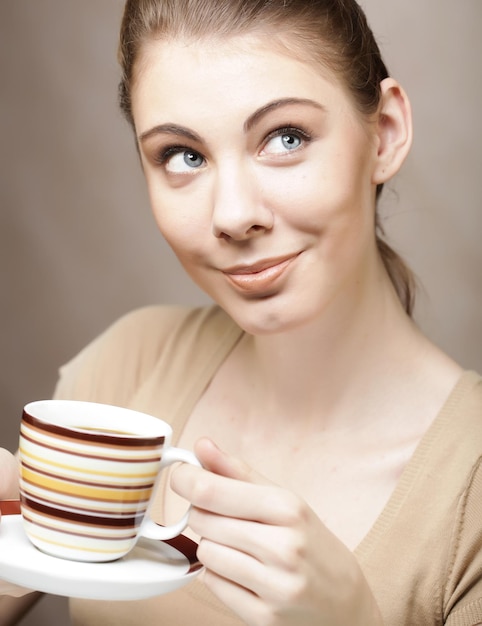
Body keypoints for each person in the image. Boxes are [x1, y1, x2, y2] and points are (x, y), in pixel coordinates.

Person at [1, 0, 482, 624]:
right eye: (183, 155)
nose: (232, 215)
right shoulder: (125, 371)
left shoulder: (468, 484)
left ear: (384, 133)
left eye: (286, 138)